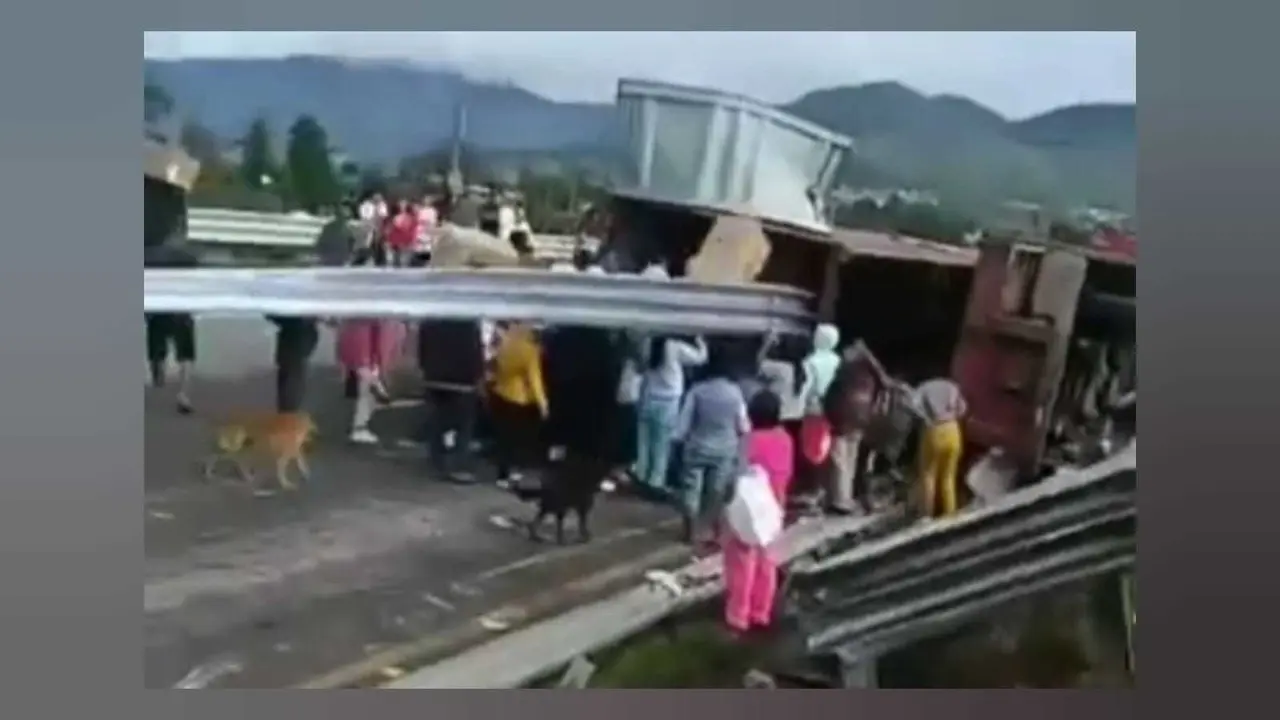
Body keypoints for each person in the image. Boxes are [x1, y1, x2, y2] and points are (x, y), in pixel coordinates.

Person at [722, 390, 794, 634]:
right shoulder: (785, 439)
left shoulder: (748, 441)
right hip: (775, 506)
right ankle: (760, 612)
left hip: (748, 508)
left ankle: (738, 615)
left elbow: (737, 472)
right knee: (767, 561)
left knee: (742, 561)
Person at [673, 350, 750, 545]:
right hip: (725, 449)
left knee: (690, 488)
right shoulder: (735, 392)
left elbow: (684, 422)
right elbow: (743, 425)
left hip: (697, 446)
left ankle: (689, 529)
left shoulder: (698, 390)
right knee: (716, 490)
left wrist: (677, 440)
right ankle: (713, 530)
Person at [822, 340, 891, 515]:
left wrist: (829, 410)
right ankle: (848, 497)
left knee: (839, 455)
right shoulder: (872, 373)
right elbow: (885, 387)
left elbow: (833, 391)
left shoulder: (846, 370)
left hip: (845, 412)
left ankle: (840, 499)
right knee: (851, 454)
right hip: (863, 414)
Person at [634, 333, 708, 494]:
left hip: (648, 397)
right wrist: (699, 340)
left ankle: (640, 476)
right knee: (662, 445)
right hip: (668, 402)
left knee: (644, 442)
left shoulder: (647, 344)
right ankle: (656, 483)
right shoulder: (674, 346)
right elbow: (700, 358)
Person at [417, 315, 487, 481]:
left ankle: (437, 463)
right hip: (462, 380)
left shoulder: (430, 319)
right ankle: (458, 466)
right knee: (464, 425)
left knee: (436, 422)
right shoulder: (468, 321)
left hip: (434, 377)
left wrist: (425, 368)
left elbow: (422, 347)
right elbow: (475, 350)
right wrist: (479, 376)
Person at [488, 322, 549, 487]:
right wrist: (543, 404)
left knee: (503, 437)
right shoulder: (530, 350)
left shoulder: (506, 343)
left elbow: (496, 364)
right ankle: (513, 473)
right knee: (517, 439)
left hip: (501, 392)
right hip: (520, 398)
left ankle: (502, 474)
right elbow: (534, 378)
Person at [144, 243, 201, 415]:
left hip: (158, 310)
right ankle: (183, 395)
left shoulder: (147, 256)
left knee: (156, 350)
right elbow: (197, 284)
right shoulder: (187, 258)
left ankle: (158, 373)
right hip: (181, 311)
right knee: (186, 356)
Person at [912, 373, 967, 520]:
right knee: (948, 476)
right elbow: (963, 408)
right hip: (953, 430)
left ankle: (926, 515)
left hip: (934, 431)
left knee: (928, 476)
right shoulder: (952, 386)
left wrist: (927, 419)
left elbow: (914, 407)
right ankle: (950, 512)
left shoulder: (923, 388)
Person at [384, 198, 420, 267]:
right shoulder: (393, 216)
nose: (402, 206)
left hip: (406, 238)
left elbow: (413, 227)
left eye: (404, 205)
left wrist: (413, 238)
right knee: (394, 259)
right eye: (401, 205)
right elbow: (390, 228)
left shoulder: (411, 217)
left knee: (404, 259)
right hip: (395, 238)